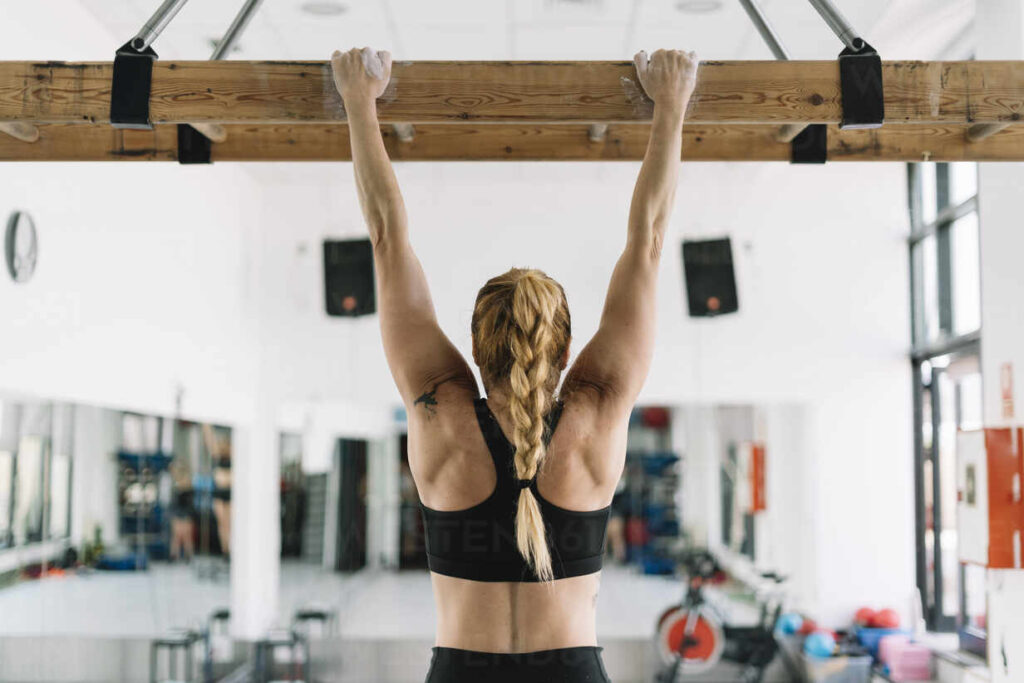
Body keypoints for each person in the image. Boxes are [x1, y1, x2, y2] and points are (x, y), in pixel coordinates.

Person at [331, 46, 697, 683]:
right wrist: (671, 102)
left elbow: (388, 236)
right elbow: (650, 239)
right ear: (563, 350)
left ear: (475, 349)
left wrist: (358, 99)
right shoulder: (599, 408)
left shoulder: (437, 407)